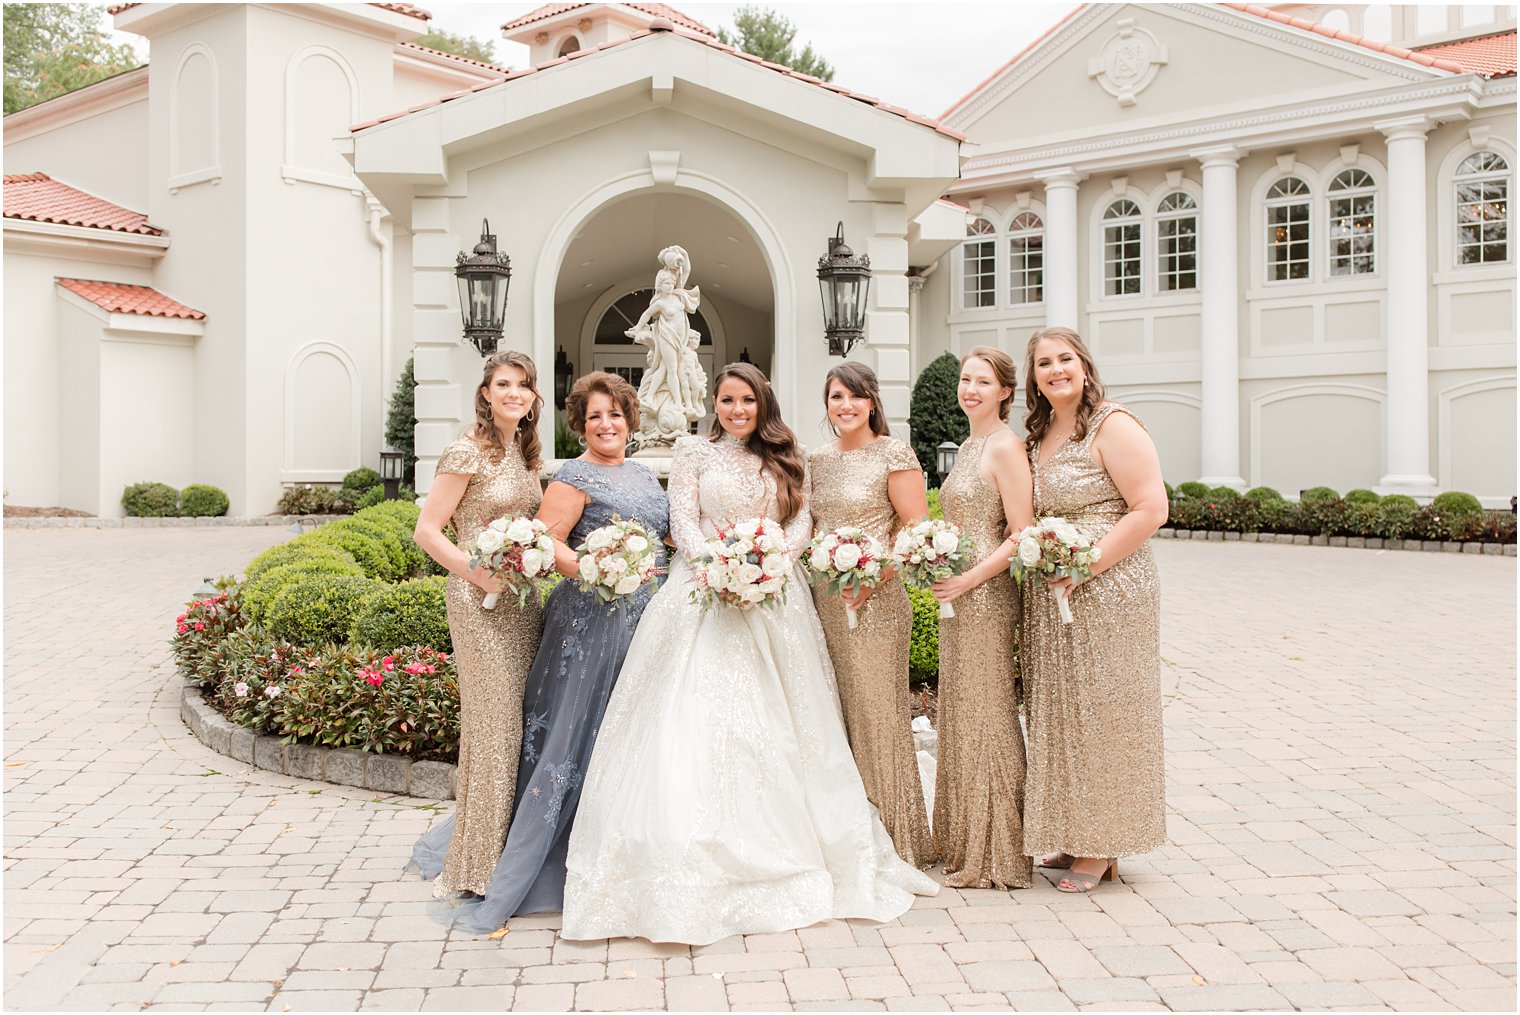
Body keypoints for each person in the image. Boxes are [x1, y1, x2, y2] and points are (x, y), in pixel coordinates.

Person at [561, 362, 938, 945]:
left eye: (748, 401)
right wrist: (718, 566)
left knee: (788, 725)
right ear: (714, 403)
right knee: (687, 723)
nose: (738, 410)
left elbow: (803, 520)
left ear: (763, 404)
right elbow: (684, 519)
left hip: (774, 595)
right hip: (700, 593)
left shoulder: (789, 456)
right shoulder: (692, 452)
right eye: (728, 400)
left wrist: (766, 562)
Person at [417, 372, 670, 931]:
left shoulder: (641, 474)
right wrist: (595, 566)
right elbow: (545, 540)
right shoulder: (570, 474)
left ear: (631, 419)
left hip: (642, 623)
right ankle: (512, 854)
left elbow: (669, 535)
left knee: (620, 732)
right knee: (557, 729)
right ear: (579, 423)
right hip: (588, 619)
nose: (607, 424)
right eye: (595, 416)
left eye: (617, 414)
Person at [1020, 326, 1168, 893]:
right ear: (1033, 378)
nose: (1055, 370)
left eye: (1064, 359)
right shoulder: (1039, 434)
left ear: (1084, 365)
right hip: (1054, 590)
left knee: (1105, 709)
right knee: (1061, 709)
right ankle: (1075, 832)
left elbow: (1151, 507)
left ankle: (1102, 846)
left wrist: (1087, 564)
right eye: (1042, 363)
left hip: (1110, 588)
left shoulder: (1113, 423)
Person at [408, 350, 545, 897]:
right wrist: (480, 575)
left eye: (524, 385)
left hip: (523, 600)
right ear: (486, 393)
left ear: (534, 397)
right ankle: (475, 866)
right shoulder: (466, 449)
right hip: (478, 600)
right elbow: (427, 530)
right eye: (503, 384)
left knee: (519, 723)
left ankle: (509, 852)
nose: (514, 393)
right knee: (494, 725)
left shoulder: (527, 454)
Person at [807, 361, 936, 868]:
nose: (845, 406)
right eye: (836, 397)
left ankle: (901, 839)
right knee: (837, 713)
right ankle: (850, 835)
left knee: (879, 714)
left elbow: (915, 531)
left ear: (872, 401)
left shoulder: (894, 454)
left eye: (855, 396)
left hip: (877, 601)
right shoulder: (817, 458)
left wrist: (869, 580)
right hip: (826, 601)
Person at [930, 345, 1034, 891]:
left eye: (983, 382)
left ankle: (997, 849)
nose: (970, 389)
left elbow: (1022, 534)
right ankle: (963, 836)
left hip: (987, 596)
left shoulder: (1005, 447)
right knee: (963, 710)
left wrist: (970, 578)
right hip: (956, 597)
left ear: (1005, 393)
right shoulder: (971, 444)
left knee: (988, 709)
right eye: (966, 380)